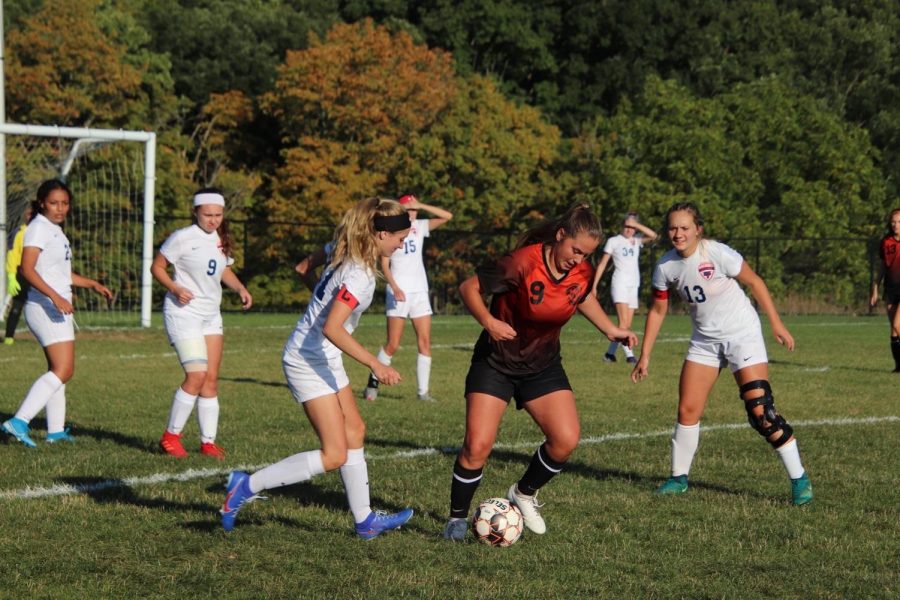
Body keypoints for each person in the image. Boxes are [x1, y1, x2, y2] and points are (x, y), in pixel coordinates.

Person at [221, 197, 415, 539]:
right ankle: (246, 485)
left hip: (323, 355)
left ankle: (365, 520)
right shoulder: (358, 275)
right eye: (401, 238)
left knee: (354, 429)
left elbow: (302, 270)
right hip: (307, 359)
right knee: (335, 453)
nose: (403, 243)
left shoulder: (342, 249)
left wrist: (320, 304)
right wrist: (375, 363)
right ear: (381, 234)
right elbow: (333, 328)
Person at [442, 203, 638, 541]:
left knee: (565, 440)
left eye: (586, 254)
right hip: (496, 363)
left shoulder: (581, 270)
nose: (579, 259)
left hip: (542, 365)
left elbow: (581, 296)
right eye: (575, 250)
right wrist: (488, 321)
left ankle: (524, 493)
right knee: (477, 445)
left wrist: (610, 329)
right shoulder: (522, 262)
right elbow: (467, 288)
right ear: (560, 235)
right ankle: (456, 520)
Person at [630, 202, 813, 506]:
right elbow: (658, 309)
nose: (678, 233)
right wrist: (645, 355)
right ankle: (678, 478)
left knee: (760, 410)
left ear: (697, 229)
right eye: (673, 228)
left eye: (685, 227)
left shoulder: (717, 253)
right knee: (688, 410)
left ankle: (799, 478)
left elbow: (755, 282)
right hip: (705, 341)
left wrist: (776, 323)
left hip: (742, 335)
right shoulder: (665, 266)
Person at [1, 179, 113, 447]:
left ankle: (55, 431)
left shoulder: (55, 230)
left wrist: (93, 284)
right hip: (44, 307)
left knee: (58, 370)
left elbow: (62, 273)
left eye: (64, 203)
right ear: (42, 203)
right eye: (53, 203)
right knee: (64, 369)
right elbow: (27, 269)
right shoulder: (39, 228)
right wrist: (55, 296)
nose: (60, 208)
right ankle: (18, 422)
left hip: (54, 306)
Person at [151, 188, 253, 459]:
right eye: (207, 214)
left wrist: (240, 288)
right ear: (195, 211)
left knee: (210, 380)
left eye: (218, 215)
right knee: (195, 376)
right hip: (184, 313)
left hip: (211, 315)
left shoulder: (221, 239)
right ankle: (170, 436)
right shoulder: (182, 238)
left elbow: (223, 269)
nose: (213, 220)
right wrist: (174, 288)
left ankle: (208, 442)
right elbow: (157, 267)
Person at [364, 194, 453, 402]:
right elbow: (384, 265)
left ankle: (423, 392)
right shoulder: (392, 231)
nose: (413, 212)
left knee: (425, 342)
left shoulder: (419, 226)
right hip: (399, 292)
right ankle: (372, 383)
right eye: (408, 209)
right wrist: (394, 286)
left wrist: (420, 204)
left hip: (420, 291)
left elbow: (447, 216)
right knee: (393, 344)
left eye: (414, 209)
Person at [592, 212, 657, 364]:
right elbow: (602, 264)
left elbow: (654, 236)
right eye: (626, 226)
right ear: (621, 226)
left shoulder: (636, 240)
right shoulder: (614, 241)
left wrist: (637, 225)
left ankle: (609, 355)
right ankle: (630, 356)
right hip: (620, 283)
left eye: (632, 227)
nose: (629, 230)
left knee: (626, 325)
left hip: (633, 285)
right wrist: (594, 285)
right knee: (623, 323)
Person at [869, 208, 900, 372]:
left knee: (897, 324)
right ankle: (898, 366)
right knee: (894, 330)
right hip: (891, 288)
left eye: (899, 222)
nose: (896, 225)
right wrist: (875, 287)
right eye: (893, 222)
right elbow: (883, 266)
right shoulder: (886, 242)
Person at [2, 206, 33, 345]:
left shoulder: (46, 232)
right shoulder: (20, 233)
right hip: (23, 273)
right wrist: (11, 276)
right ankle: (9, 337)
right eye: (28, 214)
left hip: (41, 273)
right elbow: (12, 255)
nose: (30, 216)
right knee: (17, 306)